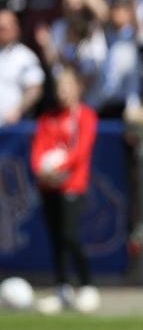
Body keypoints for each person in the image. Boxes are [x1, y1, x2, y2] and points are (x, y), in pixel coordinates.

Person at [30, 66, 98, 314]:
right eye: (59, 87)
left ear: (77, 88)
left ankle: (88, 285)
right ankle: (62, 287)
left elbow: (81, 150)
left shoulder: (84, 116)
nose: (63, 92)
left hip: (72, 184)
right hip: (48, 184)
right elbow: (38, 149)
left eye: (68, 86)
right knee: (56, 238)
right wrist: (41, 169)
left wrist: (61, 166)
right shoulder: (48, 118)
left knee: (71, 235)